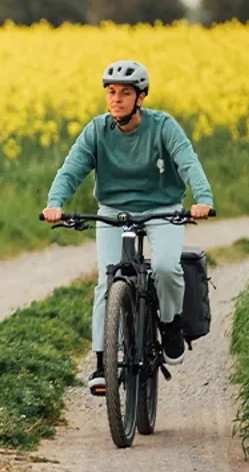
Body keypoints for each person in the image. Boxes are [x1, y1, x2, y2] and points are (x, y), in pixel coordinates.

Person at [41, 60, 214, 395]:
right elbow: (72, 168)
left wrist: (202, 198)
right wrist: (55, 204)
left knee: (165, 266)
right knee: (109, 282)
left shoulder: (163, 126)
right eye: (111, 92)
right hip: (113, 210)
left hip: (162, 207)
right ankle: (102, 362)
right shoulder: (97, 130)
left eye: (125, 93)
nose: (116, 99)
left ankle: (170, 324)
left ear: (141, 98)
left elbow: (187, 161)